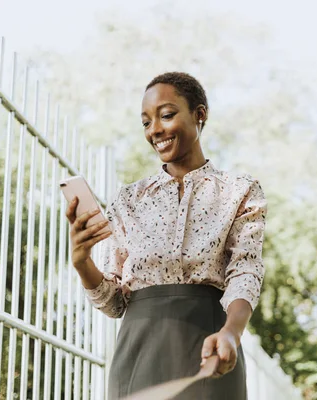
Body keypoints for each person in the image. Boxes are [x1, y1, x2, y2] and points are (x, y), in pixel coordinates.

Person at [65, 72, 267, 399]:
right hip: (138, 354)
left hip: (211, 346)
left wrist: (232, 332)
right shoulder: (128, 200)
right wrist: (81, 262)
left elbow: (246, 271)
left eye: (167, 115)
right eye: (146, 122)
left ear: (200, 114)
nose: (155, 129)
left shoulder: (240, 192)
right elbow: (114, 302)